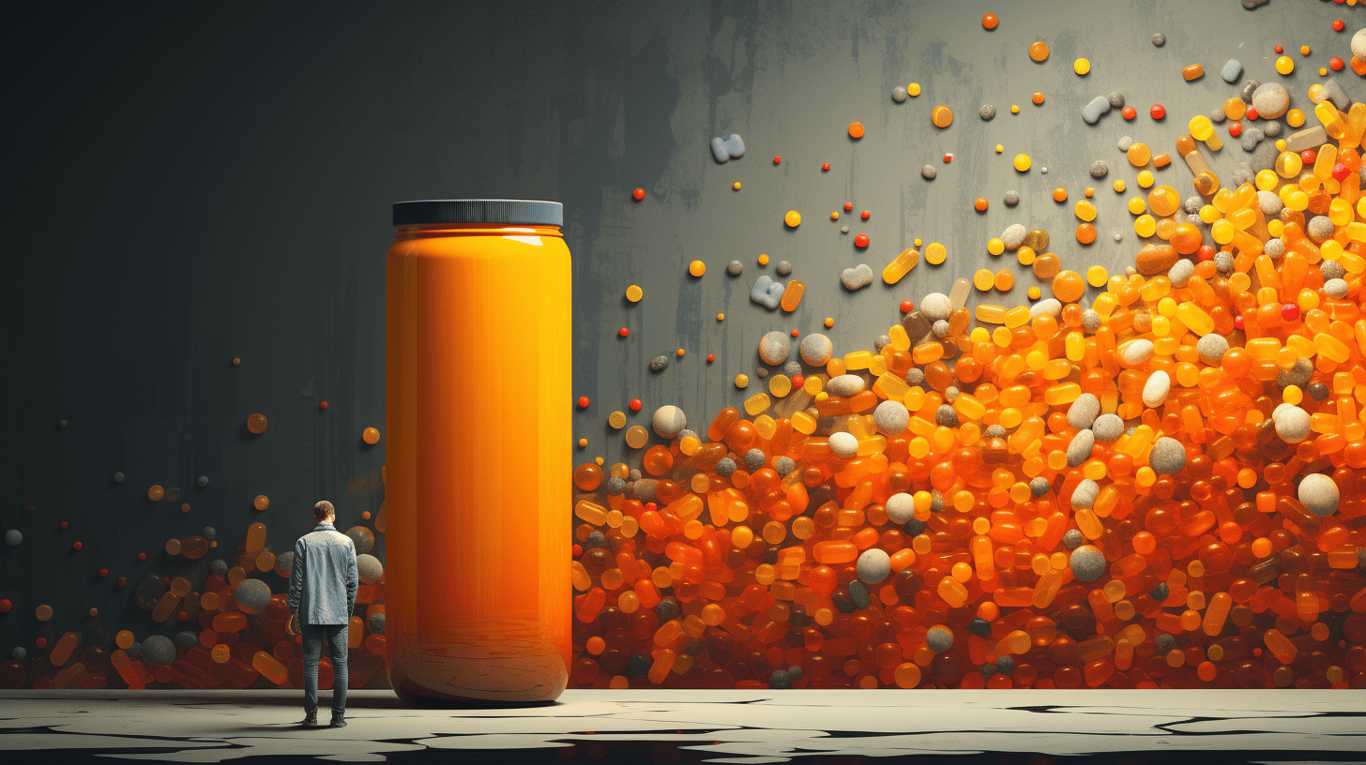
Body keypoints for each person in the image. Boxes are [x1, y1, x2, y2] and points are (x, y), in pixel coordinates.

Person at [287, 500, 358, 728]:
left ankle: (311, 716)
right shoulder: (347, 542)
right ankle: (338, 717)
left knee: (310, 665)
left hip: (311, 611)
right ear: (332, 517)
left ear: (315, 517)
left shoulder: (303, 542)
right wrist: (346, 611)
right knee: (340, 665)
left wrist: (293, 609)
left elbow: (296, 581)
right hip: (338, 612)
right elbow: (352, 583)